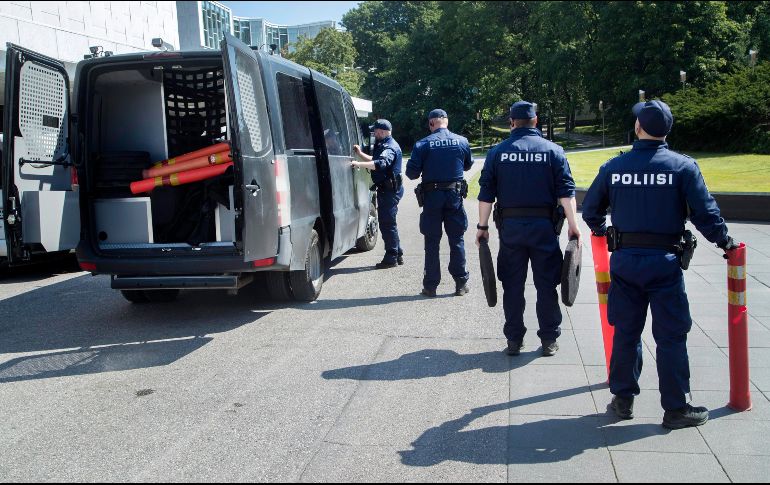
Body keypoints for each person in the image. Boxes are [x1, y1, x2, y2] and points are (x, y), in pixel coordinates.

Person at [582, 99, 737, 430]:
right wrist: (726, 243)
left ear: (638, 128)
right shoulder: (682, 167)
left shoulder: (614, 167)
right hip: (665, 264)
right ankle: (676, 408)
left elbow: (591, 210)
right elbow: (705, 214)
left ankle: (623, 400)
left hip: (624, 262)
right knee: (670, 336)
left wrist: (600, 230)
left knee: (626, 332)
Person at [476, 101, 581, 357]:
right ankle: (549, 339)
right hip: (544, 228)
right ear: (536, 121)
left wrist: (482, 226)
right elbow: (566, 193)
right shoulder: (553, 151)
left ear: (512, 122)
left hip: (511, 229)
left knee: (512, 285)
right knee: (547, 284)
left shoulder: (497, 153)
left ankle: (514, 339)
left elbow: (486, 195)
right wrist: (574, 227)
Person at [406, 109, 474, 297]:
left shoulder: (423, 144)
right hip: (454, 195)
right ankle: (460, 283)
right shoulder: (461, 141)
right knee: (456, 240)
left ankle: (431, 286)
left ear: (431, 124)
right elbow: (468, 164)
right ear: (447, 122)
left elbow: (411, 173)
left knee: (432, 241)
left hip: (432, 197)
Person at [352, 119, 404, 269]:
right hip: (387, 190)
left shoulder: (390, 147)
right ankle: (398, 253)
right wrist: (360, 154)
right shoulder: (384, 144)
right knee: (390, 223)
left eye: (375, 131)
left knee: (388, 224)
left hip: (389, 191)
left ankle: (391, 258)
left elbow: (381, 163)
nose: (374, 133)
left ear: (381, 131)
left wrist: (359, 164)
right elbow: (375, 159)